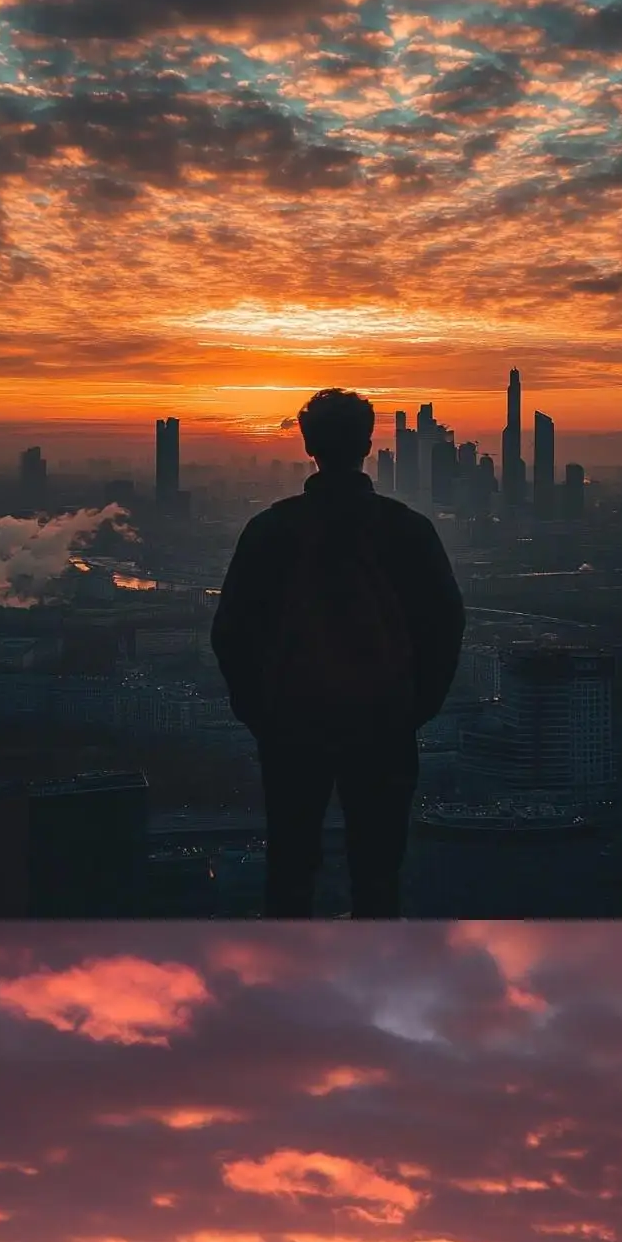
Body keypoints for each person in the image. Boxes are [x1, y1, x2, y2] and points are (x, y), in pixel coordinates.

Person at [212, 388, 464, 918]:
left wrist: (262, 713)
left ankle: (290, 987)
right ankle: (372, 987)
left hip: (293, 725)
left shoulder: (271, 530)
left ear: (308, 446)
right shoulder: (408, 531)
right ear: (368, 445)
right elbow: (444, 627)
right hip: (382, 724)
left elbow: (231, 631)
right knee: (378, 875)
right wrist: (412, 710)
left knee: (290, 872)